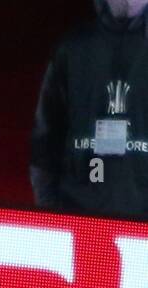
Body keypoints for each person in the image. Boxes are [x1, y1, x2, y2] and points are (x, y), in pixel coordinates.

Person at [32, 0, 148, 217]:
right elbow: (45, 145)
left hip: (142, 234)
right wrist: (52, 214)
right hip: (79, 220)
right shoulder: (72, 48)